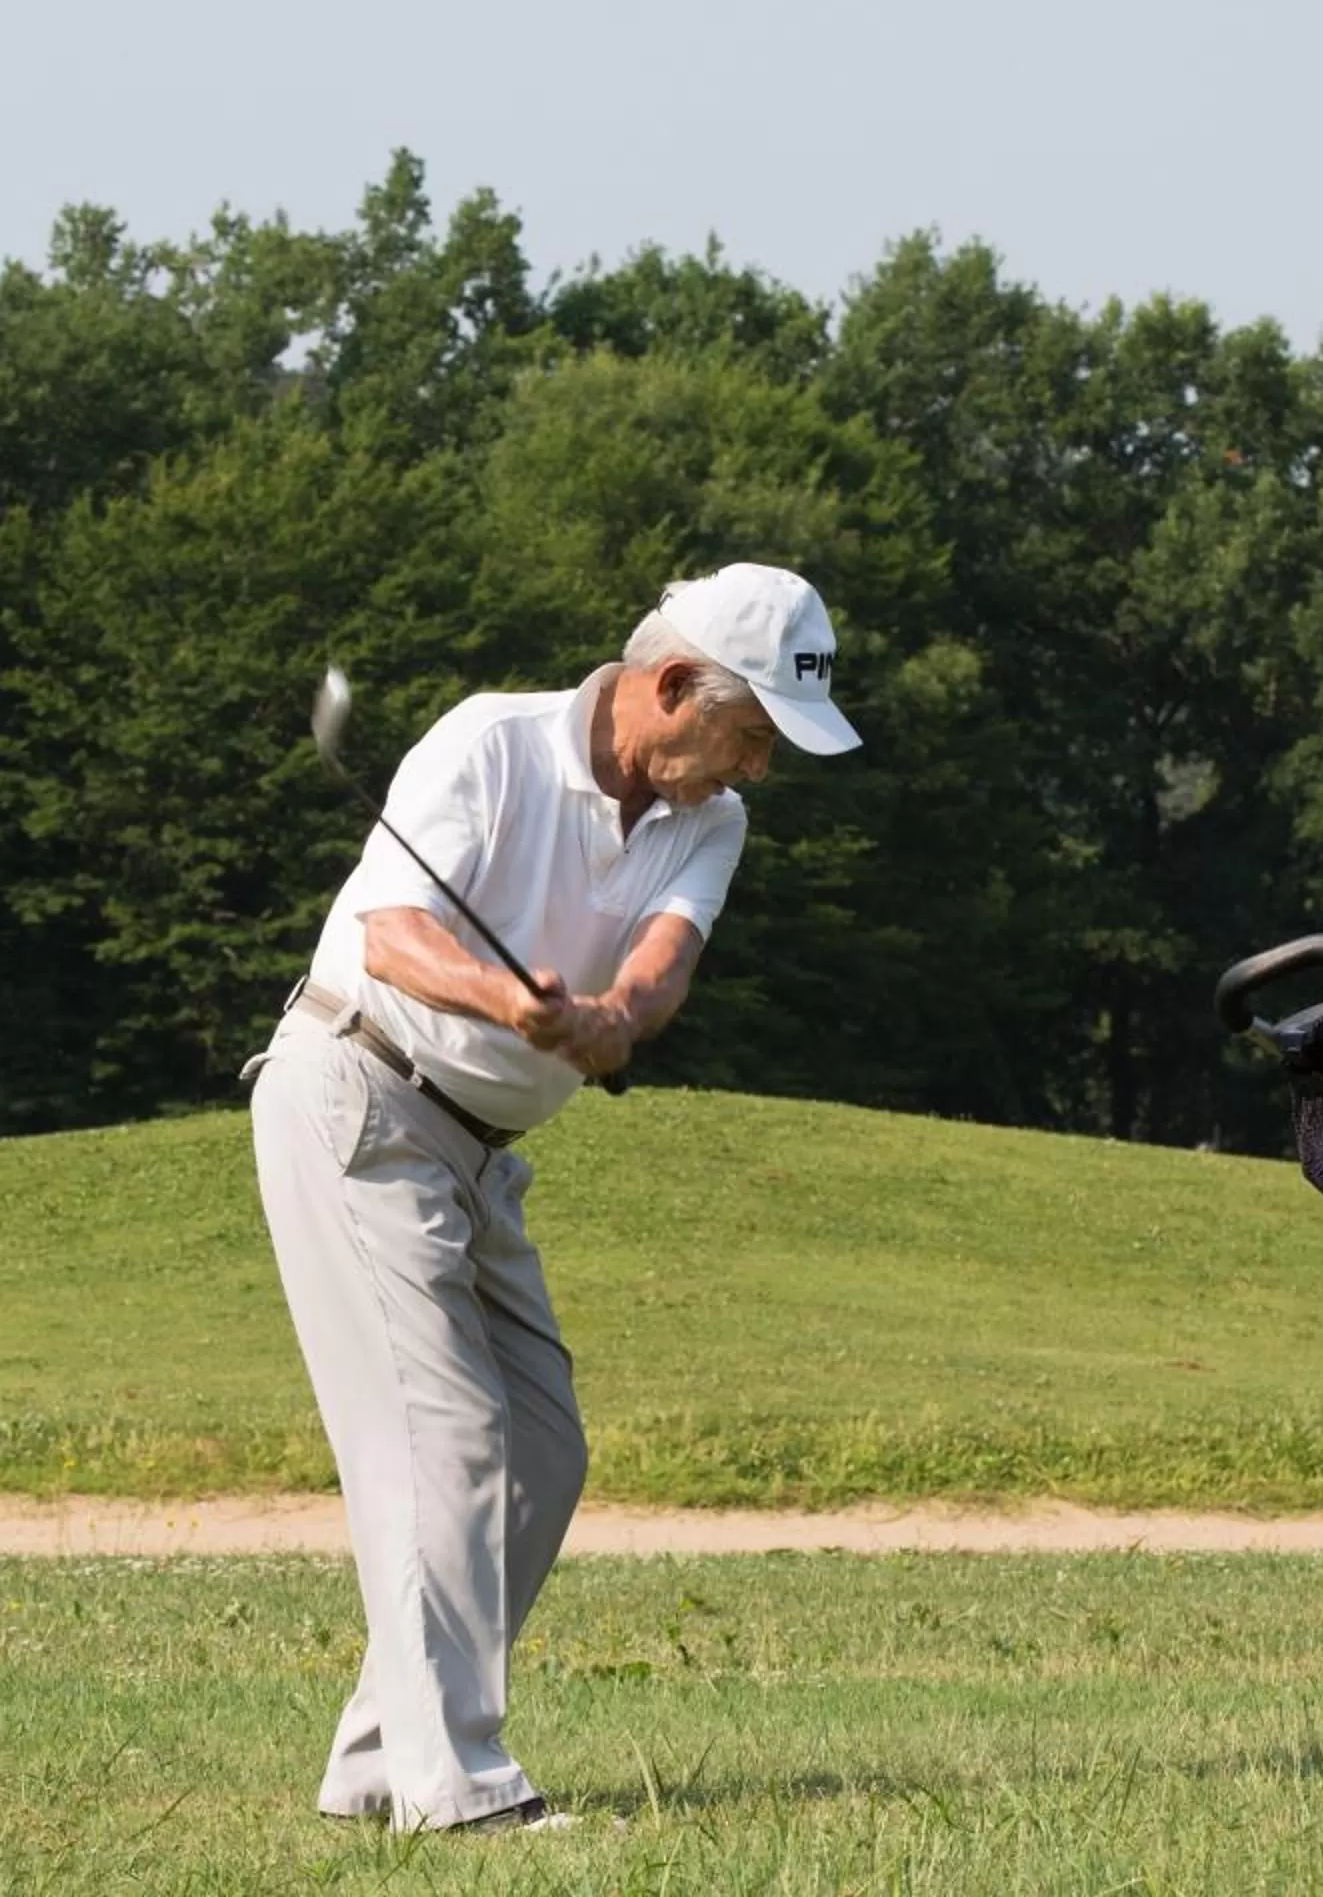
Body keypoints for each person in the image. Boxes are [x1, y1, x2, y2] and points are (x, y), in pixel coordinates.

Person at [245, 562, 862, 1833]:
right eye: (750, 736)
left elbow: (660, 963)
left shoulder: (711, 820)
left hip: (482, 1146)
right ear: (675, 684)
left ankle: (378, 1753)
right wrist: (512, 1000)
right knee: (448, 1433)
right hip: (360, 1092)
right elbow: (391, 935)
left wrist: (610, 1020)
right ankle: (456, 1786)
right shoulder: (491, 741)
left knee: (539, 1447)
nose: (756, 769)